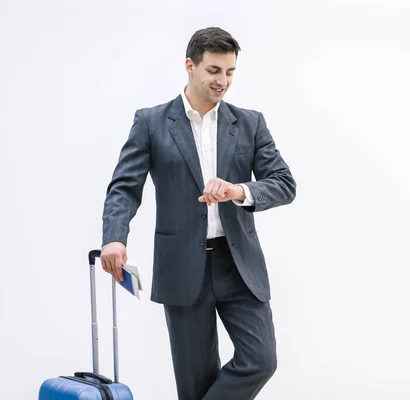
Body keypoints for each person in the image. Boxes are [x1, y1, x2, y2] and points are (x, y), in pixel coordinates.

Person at [99, 26, 296, 399]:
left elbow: (284, 183)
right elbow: (124, 187)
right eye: (214, 71)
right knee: (195, 383)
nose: (223, 81)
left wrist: (239, 190)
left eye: (230, 72)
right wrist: (114, 237)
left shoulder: (250, 123)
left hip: (238, 264)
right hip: (182, 266)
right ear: (190, 66)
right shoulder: (151, 122)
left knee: (261, 359)